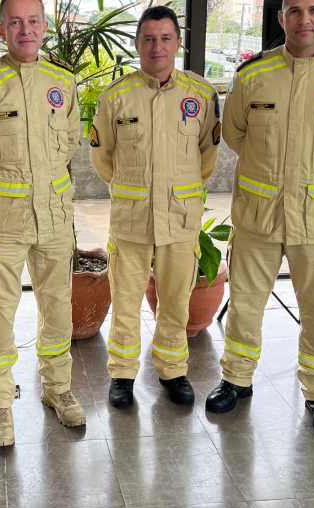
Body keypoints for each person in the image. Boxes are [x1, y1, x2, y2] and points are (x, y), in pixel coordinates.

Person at [208, 0, 314, 439]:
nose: (304, 20)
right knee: (245, 303)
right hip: (257, 215)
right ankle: (236, 380)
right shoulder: (252, 75)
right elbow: (235, 133)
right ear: (281, 17)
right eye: (294, 10)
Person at [0, 0, 85, 446]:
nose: (25, 30)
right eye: (16, 22)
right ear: (1, 28)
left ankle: (57, 387)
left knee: (58, 307)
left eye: (33, 21)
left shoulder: (63, 81)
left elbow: (69, 140)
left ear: (44, 27)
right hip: (2, 222)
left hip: (53, 218)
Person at [90, 6, 220, 408]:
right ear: (137, 45)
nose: (157, 46)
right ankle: (123, 375)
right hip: (130, 219)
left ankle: (173, 369)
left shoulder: (200, 95)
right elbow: (102, 157)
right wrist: (131, 189)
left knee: (175, 299)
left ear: (178, 43)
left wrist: (178, 192)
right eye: (148, 38)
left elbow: (207, 156)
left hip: (179, 219)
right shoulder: (115, 97)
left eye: (166, 38)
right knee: (126, 299)